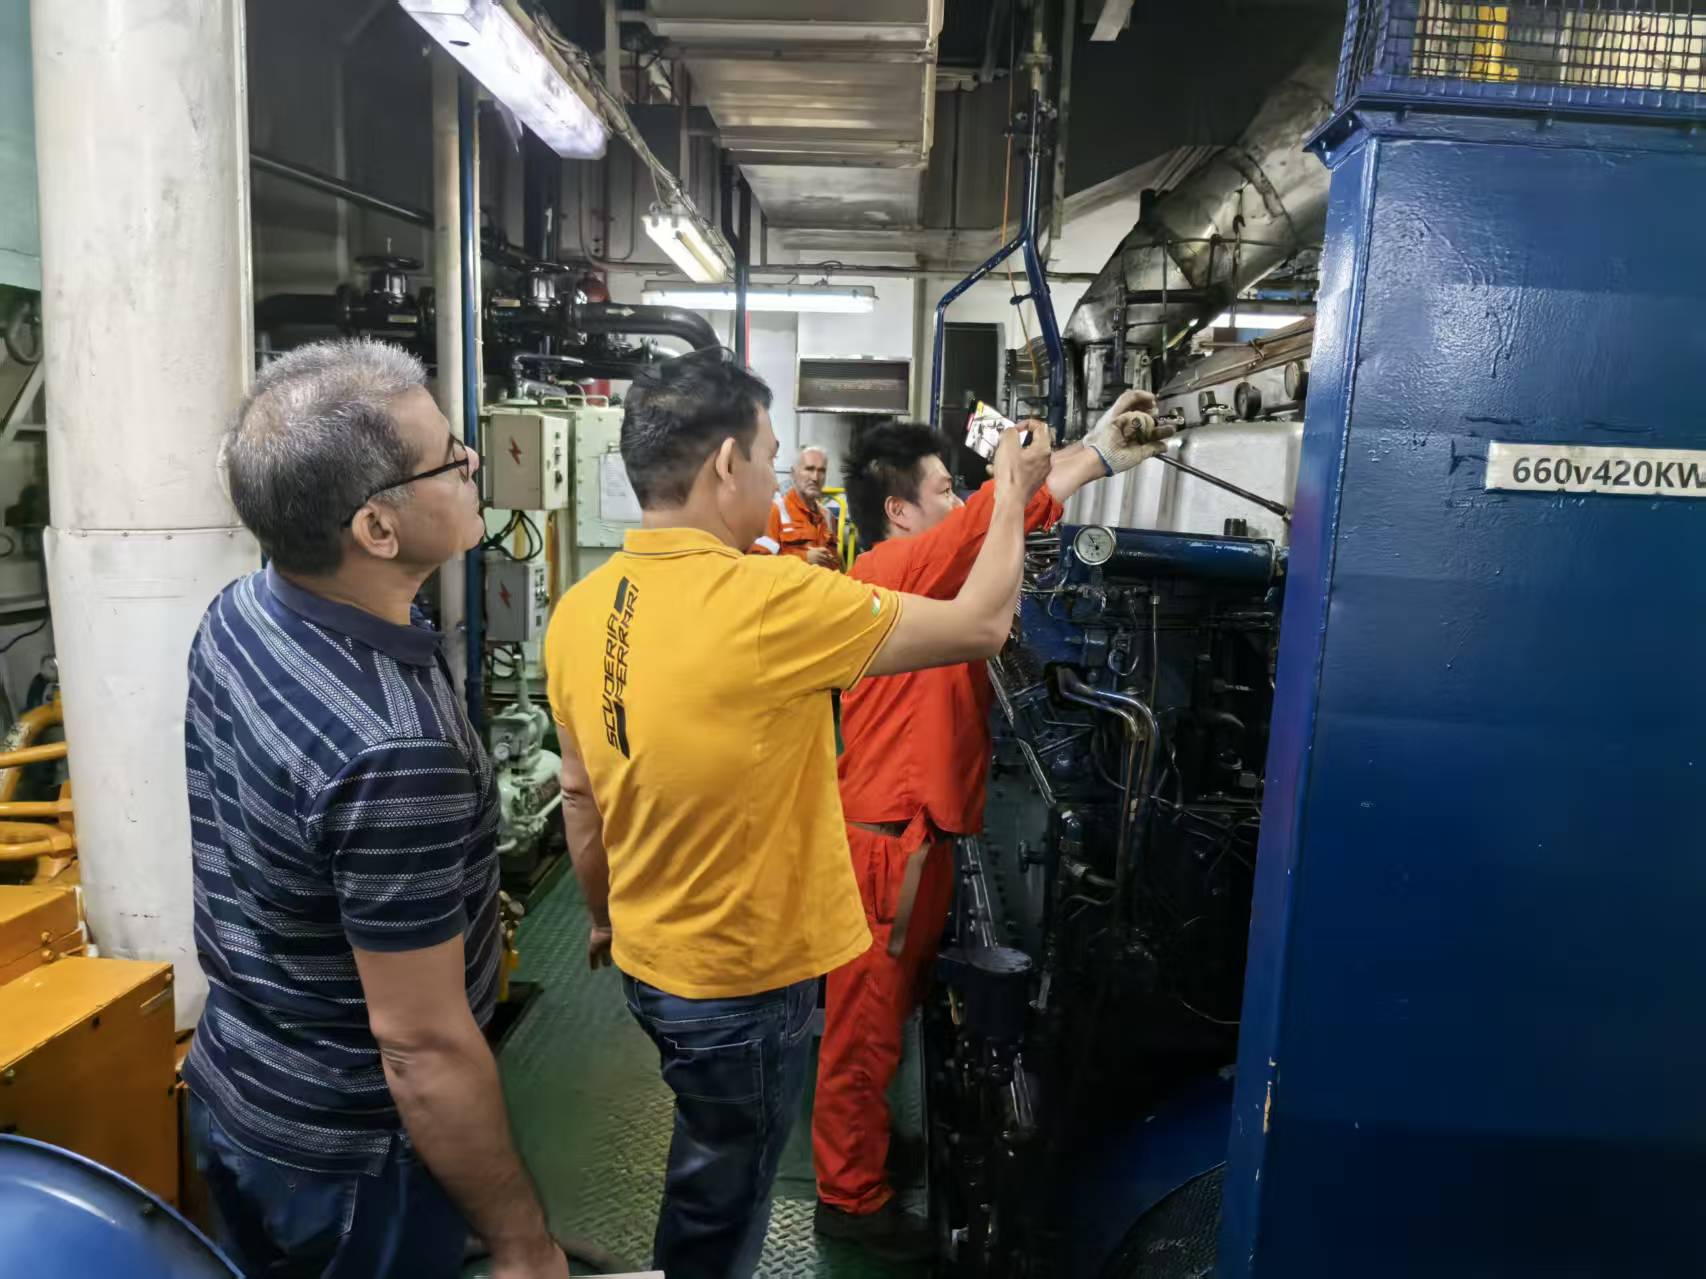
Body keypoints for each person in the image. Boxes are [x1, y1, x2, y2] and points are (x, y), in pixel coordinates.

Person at [543, 347, 1051, 1279]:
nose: (781, 477)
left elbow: (581, 797)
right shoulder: (769, 597)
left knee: (705, 1151)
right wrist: (1013, 488)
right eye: (771, 456)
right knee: (721, 1200)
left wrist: (608, 915)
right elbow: (981, 624)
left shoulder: (579, 608)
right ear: (726, 465)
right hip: (742, 976)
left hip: (648, 960)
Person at [182, 339, 567, 1279]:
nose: (474, 461)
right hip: (353, 1158)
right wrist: (523, 1242)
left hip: (239, 1086)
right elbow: (423, 1047)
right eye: (447, 456)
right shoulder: (393, 751)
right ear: (377, 530)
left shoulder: (241, 610)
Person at [811, 392, 1174, 1259]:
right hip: (886, 841)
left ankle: (860, 1153)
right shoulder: (885, 577)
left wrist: (1097, 455)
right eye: (944, 490)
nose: (957, 501)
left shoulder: (928, 571)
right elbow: (979, 530)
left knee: (887, 1018)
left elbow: (996, 525)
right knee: (860, 1030)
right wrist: (1040, 472)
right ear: (899, 510)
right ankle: (847, 1197)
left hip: (925, 836)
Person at [750, 444, 840, 568]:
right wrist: (804, 558)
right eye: (809, 469)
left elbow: (835, 565)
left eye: (821, 471)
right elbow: (758, 562)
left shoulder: (828, 516)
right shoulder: (774, 511)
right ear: (793, 473)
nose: (815, 477)